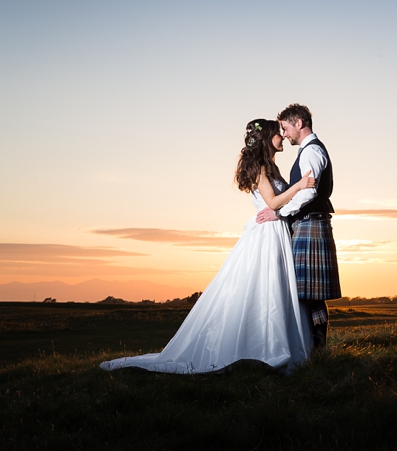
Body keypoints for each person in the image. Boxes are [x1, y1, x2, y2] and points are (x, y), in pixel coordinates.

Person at [100, 119, 316, 374]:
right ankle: (263, 345)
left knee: (276, 287)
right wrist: (300, 186)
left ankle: (278, 340)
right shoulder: (259, 168)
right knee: (263, 286)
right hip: (266, 234)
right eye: (277, 133)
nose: (282, 136)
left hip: (276, 230)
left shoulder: (271, 167)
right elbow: (272, 201)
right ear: (267, 138)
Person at [256, 103, 340, 348]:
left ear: (299, 124)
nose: (284, 134)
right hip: (308, 224)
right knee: (308, 294)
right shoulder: (309, 150)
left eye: (285, 128)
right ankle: (312, 348)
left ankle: (317, 349)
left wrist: (279, 212)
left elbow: (308, 193)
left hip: (310, 224)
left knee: (311, 294)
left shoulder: (312, 151)